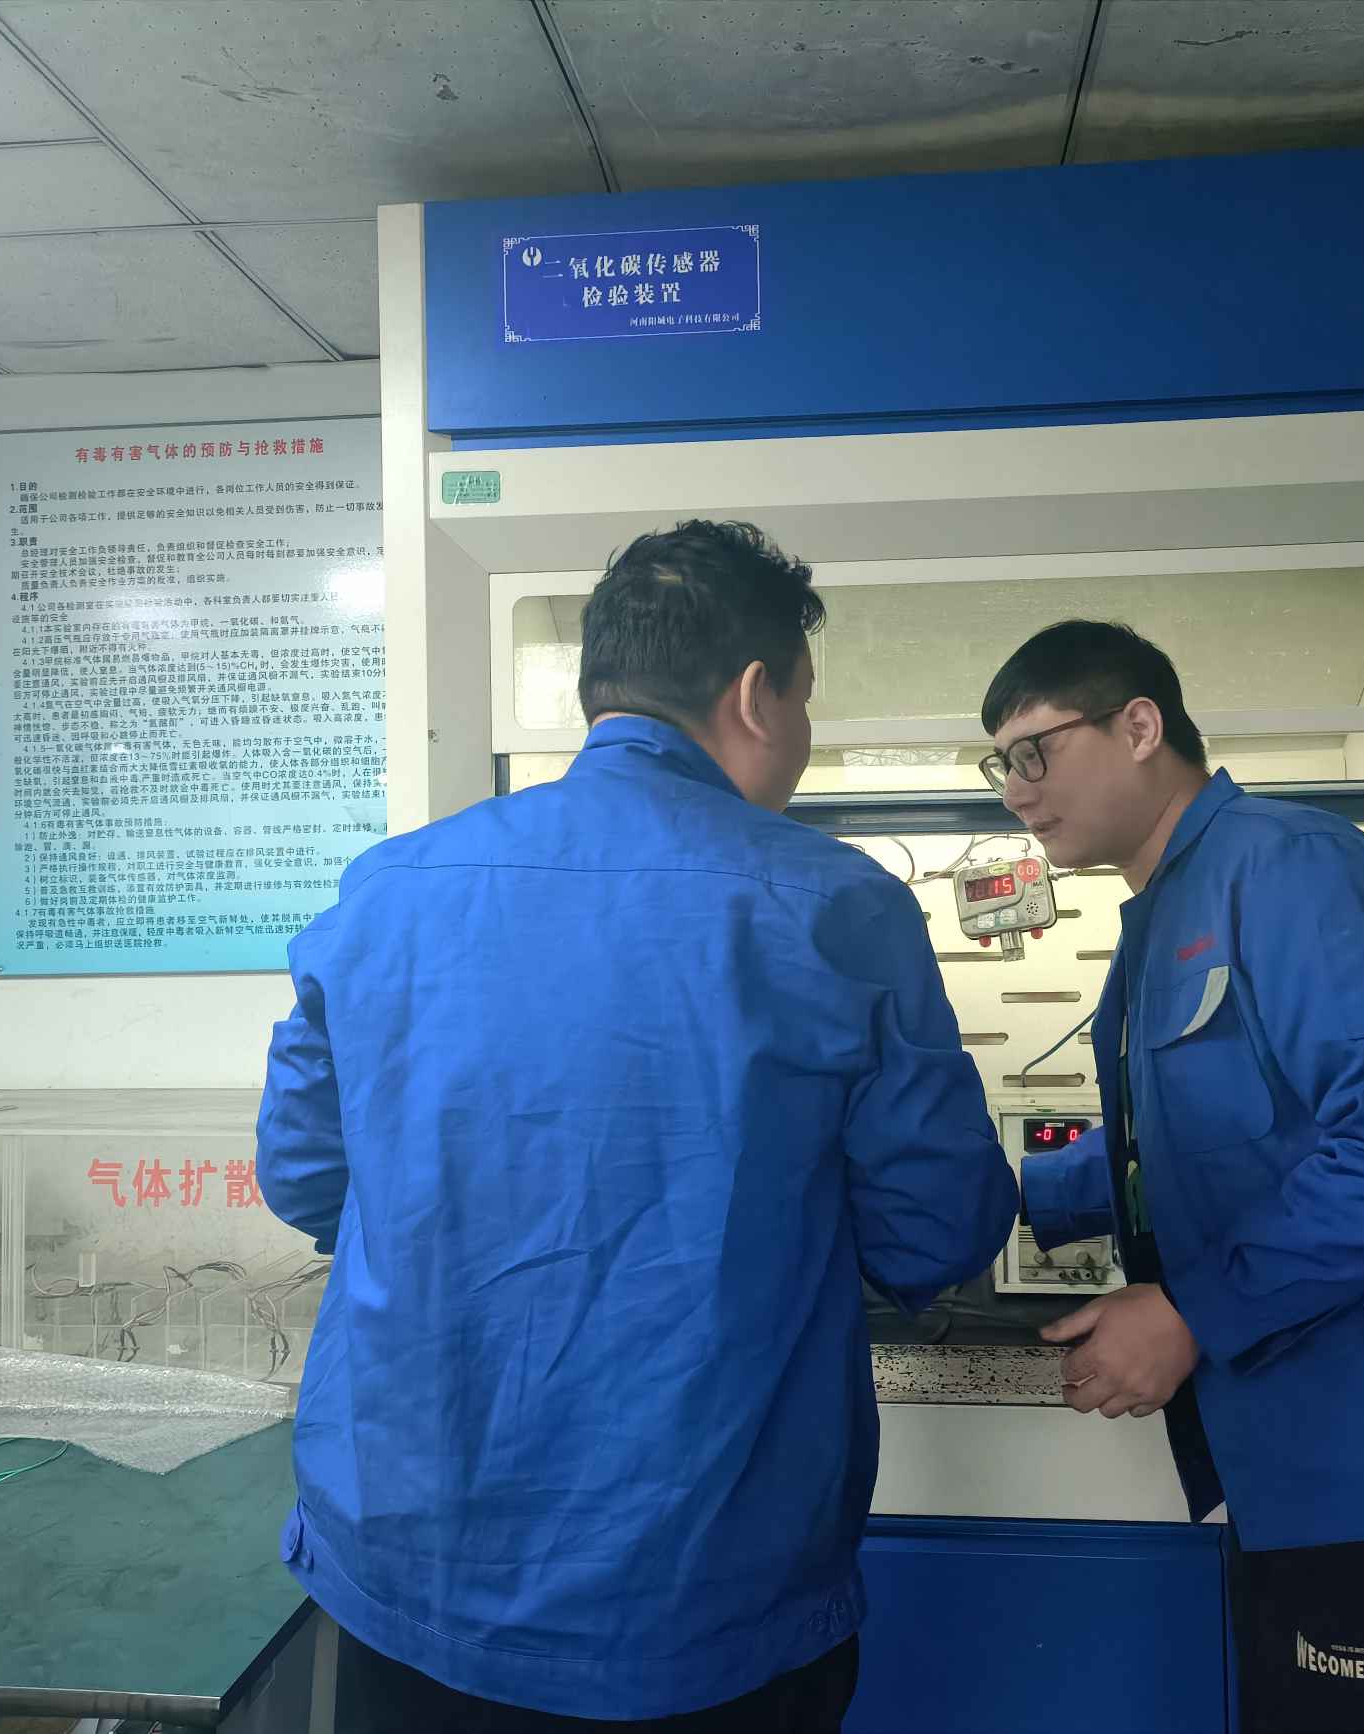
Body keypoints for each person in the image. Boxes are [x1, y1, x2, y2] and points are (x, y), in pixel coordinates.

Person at [256, 519, 1018, 1731]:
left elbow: (303, 1177)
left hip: (410, 1563)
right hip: (705, 1585)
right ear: (757, 695)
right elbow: (935, 1230)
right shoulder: (835, 909)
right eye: (803, 701)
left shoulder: (388, 890)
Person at [985, 620, 1364, 1734]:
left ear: (1139, 726)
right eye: (999, 765)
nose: (1014, 791)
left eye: (1033, 752)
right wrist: (997, 1201)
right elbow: (1196, 1149)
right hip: (1303, 1457)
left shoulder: (1290, 871)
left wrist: (1192, 1312)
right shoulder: (1172, 908)